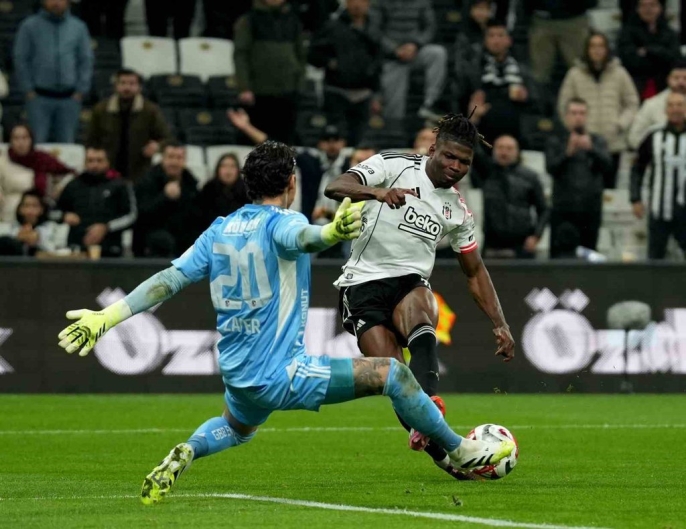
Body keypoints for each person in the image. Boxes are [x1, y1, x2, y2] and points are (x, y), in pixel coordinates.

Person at [56, 141, 514, 504]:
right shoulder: (282, 222)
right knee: (394, 374)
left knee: (237, 428)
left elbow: (168, 280)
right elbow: (303, 236)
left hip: (238, 375)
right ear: (292, 183)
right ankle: (460, 449)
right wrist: (332, 232)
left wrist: (107, 316)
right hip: (285, 374)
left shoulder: (219, 229)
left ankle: (190, 448)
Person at [324, 113, 515, 480]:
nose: (456, 166)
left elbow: (474, 270)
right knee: (394, 376)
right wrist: (378, 192)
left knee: (422, 305)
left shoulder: (457, 211)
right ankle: (446, 457)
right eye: (450, 157)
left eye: (464, 162)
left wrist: (500, 323)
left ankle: (430, 406)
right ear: (433, 149)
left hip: (409, 282)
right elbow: (336, 186)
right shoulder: (392, 165)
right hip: (362, 284)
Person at [557, 32, 640, 188]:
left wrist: (620, 124)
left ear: (607, 49)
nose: (597, 50)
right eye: (593, 46)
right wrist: (574, 129)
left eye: (601, 46)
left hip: (612, 144)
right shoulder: (574, 75)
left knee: (609, 190)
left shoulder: (620, 73)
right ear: (586, 49)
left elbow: (632, 103)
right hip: (583, 144)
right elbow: (563, 105)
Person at [13, 0, 93, 143]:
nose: (56, 2)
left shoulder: (78, 27)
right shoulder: (29, 26)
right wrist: (28, 89)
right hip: (39, 98)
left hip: (70, 99)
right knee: (37, 143)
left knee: (67, 144)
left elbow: (86, 60)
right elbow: (21, 59)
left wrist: (81, 90)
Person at [308, 0, 383, 147]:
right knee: (337, 139)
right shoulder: (332, 26)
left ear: (368, 4)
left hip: (364, 94)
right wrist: (331, 62)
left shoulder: (374, 28)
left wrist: (377, 93)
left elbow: (378, 61)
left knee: (361, 142)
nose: (357, 5)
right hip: (337, 92)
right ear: (346, 3)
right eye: (353, 1)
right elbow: (313, 54)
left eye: (361, 1)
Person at [546, 98, 613, 259]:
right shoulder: (555, 140)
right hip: (563, 208)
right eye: (574, 113)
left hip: (590, 209)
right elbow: (551, 168)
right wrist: (567, 153)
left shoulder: (597, 140)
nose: (578, 117)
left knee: (588, 256)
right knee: (559, 256)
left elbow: (608, 167)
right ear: (566, 116)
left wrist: (591, 149)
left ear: (587, 116)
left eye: (582, 113)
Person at [234, 0, 305, 145]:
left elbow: (301, 55)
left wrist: (299, 84)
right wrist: (244, 87)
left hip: (288, 92)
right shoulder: (249, 20)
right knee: (256, 141)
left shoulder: (293, 20)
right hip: (259, 93)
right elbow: (241, 54)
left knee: (284, 143)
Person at [87, 69, 171, 183]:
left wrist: (157, 146)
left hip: (139, 172)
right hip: (107, 171)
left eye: (132, 83)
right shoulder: (101, 110)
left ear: (139, 87)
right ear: (115, 86)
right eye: (123, 83)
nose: (127, 87)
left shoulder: (150, 110)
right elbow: (91, 140)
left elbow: (167, 138)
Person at [471, 135, 548, 258]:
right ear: (493, 150)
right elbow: (475, 151)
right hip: (492, 243)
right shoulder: (486, 173)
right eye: (500, 148)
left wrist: (536, 236)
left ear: (517, 151)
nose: (504, 152)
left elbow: (544, 209)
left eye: (509, 148)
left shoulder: (530, 177)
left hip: (522, 243)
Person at [463, 20, 538, 144]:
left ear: (509, 40)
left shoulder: (523, 70)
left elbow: (539, 104)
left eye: (500, 35)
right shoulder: (473, 70)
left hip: (518, 133)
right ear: (485, 40)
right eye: (491, 36)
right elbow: (461, 101)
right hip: (481, 133)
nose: (496, 40)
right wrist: (473, 116)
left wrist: (527, 98)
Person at [630, 92, 686, 259]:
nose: (675, 109)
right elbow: (637, 168)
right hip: (658, 210)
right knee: (655, 260)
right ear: (665, 109)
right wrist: (635, 198)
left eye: (680, 105)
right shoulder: (654, 135)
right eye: (671, 105)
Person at [371, 0, 447, 121]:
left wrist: (415, 44)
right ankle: (394, 127)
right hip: (391, 57)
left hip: (415, 51)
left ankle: (429, 103)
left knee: (437, 53)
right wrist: (394, 49)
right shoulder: (381, 2)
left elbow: (430, 27)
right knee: (393, 112)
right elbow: (374, 30)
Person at [56, 146, 137, 257]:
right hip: (77, 247)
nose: (95, 165)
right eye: (90, 161)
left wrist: (106, 227)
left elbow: (131, 215)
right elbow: (53, 212)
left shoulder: (120, 185)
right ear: (84, 163)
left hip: (110, 248)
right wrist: (64, 216)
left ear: (107, 162)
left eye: (99, 160)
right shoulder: (73, 185)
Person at [134, 141, 200, 257]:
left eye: (179, 158)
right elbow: (142, 215)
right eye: (170, 157)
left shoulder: (190, 183)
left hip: (182, 237)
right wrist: (164, 197)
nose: (174, 162)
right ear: (162, 159)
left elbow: (196, 215)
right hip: (152, 237)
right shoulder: (147, 180)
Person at [617, 0, 680, 100]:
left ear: (660, 8)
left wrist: (648, 50)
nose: (648, 9)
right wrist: (660, 55)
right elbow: (630, 60)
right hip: (636, 84)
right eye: (643, 5)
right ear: (637, 9)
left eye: (652, 5)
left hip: (665, 85)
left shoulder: (670, 33)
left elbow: (675, 58)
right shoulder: (626, 33)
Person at [522, 0, 595, 87]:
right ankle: (537, 95)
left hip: (574, 20)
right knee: (539, 72)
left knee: (581, 69)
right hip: (541, 20)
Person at [4, 124, 74, 209]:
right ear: (10, 141)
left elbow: (71, 173)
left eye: (25, 138)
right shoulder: (3, 160)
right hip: (11, 207)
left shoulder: (42, 158)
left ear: (31, 139)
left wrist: (60, 187)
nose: (21, 142)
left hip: (42, 208)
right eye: (16, 138)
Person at [628, 60, 686, 149]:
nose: (681, 82)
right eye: (676, 78)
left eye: (685, 78)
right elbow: (634, 136)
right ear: (668, 79)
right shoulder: (651, 105)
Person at [0, 189, 68, 256]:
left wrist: (38, 240)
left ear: (42, 209)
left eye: (34, 206)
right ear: (20, 209)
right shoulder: (7, 228)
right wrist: (17, 239)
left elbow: (60, 251)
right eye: (26, 206)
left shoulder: (54, 229)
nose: (30, 211)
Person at [195, 153, 250, 231]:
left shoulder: (247, 192)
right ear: (218, 169)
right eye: (224, 166)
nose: (228, 171)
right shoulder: (208, 191)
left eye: (232, 166)